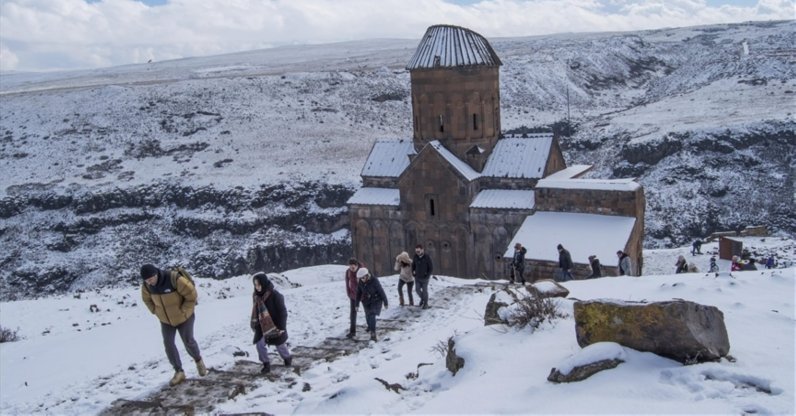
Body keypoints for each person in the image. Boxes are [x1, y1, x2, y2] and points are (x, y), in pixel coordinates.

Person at [140, 264, 208, 387]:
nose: (149, 282)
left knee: (188, 341)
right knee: (168, 344)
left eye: (151, 279)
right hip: (166, 321)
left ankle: (199, 361)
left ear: (156, 274)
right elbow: (146, 300)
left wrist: (184, 311)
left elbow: (191, 295)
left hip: (184, 317)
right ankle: (179, 371)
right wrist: (155, 311)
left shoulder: (173, 279)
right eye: (147, 280)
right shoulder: (147, 286)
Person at [250, 272, 292, 374]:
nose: (257, 287)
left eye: (258, 284)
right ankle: (266, 364)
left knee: (280, 345)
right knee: (259, 345)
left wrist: (281, 327)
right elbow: (257, 310)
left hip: (275, 325)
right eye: (255, 284)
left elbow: (283, 313)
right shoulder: (256, 296)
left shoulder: (276, 296)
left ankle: (287, 358)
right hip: (262, 326)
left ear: (263, 283)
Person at [355, 268, 388, 341]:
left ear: (367, 275)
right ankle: (370, 327)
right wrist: (356, 304)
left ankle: (373, 333)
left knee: (372, 315)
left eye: (363, 278)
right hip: (366, 301)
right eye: (360, 278)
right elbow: (358, 293)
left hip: (376, 300)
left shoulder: (374, 280)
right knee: (367, 316)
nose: (362, 279)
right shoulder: (361, 282)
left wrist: (385, 302)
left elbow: (381, 291)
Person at [345, 258, 365, 339]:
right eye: (350, 267)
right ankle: (352, 331)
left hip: (363, 295)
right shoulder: (348, 272)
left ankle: (370, 327)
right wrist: (348, 293)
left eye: (353, 267)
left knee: (367, 311)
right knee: (353, 313)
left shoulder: (362, 270)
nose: (352, 268)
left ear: (357, 266)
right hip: (353, 295)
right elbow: (347, 283)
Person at [412, 244, 433, 309]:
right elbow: (413, 265)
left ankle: (425, 304)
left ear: (422, 250)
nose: (417, 253)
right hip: (417, 277)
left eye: (419, 251)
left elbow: (431, 268)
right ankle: (423, 299)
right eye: (416, 251)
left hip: (425, 278)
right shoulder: (415, 256)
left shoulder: (427, 257)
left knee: (424, 291)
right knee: (417, 290)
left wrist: (427, 276)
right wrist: (413, 272)